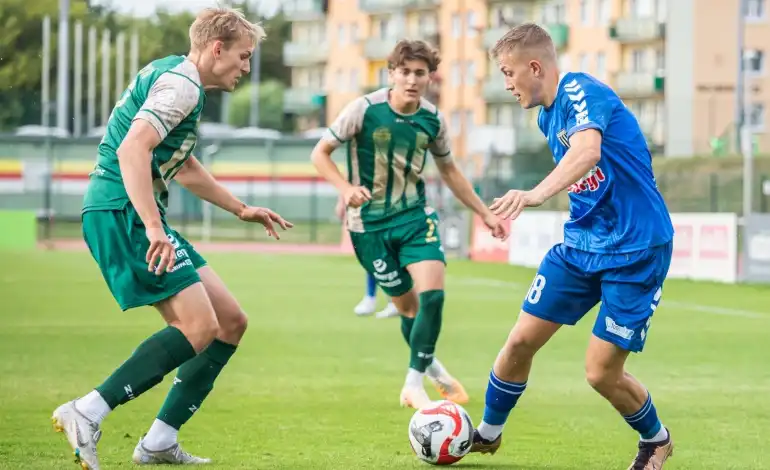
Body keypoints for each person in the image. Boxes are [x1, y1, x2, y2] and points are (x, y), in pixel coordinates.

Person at [51, 8, 292, 469]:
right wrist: (154, 226)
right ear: (217, 48)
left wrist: (239, 208)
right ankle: (88, 411)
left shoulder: (176, 76)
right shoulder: (183, 86)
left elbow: (181, 164)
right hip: (123, 210)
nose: (246, 66)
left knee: (230, 321)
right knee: (198, 326)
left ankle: (159, 441)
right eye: (243, 56)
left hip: (131, 210)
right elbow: (132, 149)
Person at [469, 23, 675, 470]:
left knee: (600, 373)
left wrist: (534, 194)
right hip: (581, 245)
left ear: (535, 67)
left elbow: (587, 153)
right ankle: (487, 434)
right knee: (520, 341)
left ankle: (656, 439)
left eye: (508, 73)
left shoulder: (580, 90)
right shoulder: (546, 116)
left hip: (636, 249)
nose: (506, 84)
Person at [311, 39, 509, 409]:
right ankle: (434, 371)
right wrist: (345, 188)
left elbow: (450, 170)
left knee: (433, 296)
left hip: (415, 218)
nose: (412, 80)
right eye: (405, 72)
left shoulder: (432, 119)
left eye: (420, 73)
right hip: (369, 227)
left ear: (430, 78)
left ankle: (412, 384)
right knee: (408, 310)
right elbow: (320, 153)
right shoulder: (363, 109)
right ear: (391, 74)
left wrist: (484, 212)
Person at [335, 195, 400, 318]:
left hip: (391, 205)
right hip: (368, 207)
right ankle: (372, 298)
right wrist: (342, 200)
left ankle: (394, 299)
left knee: (389, 252)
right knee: (372, 252)